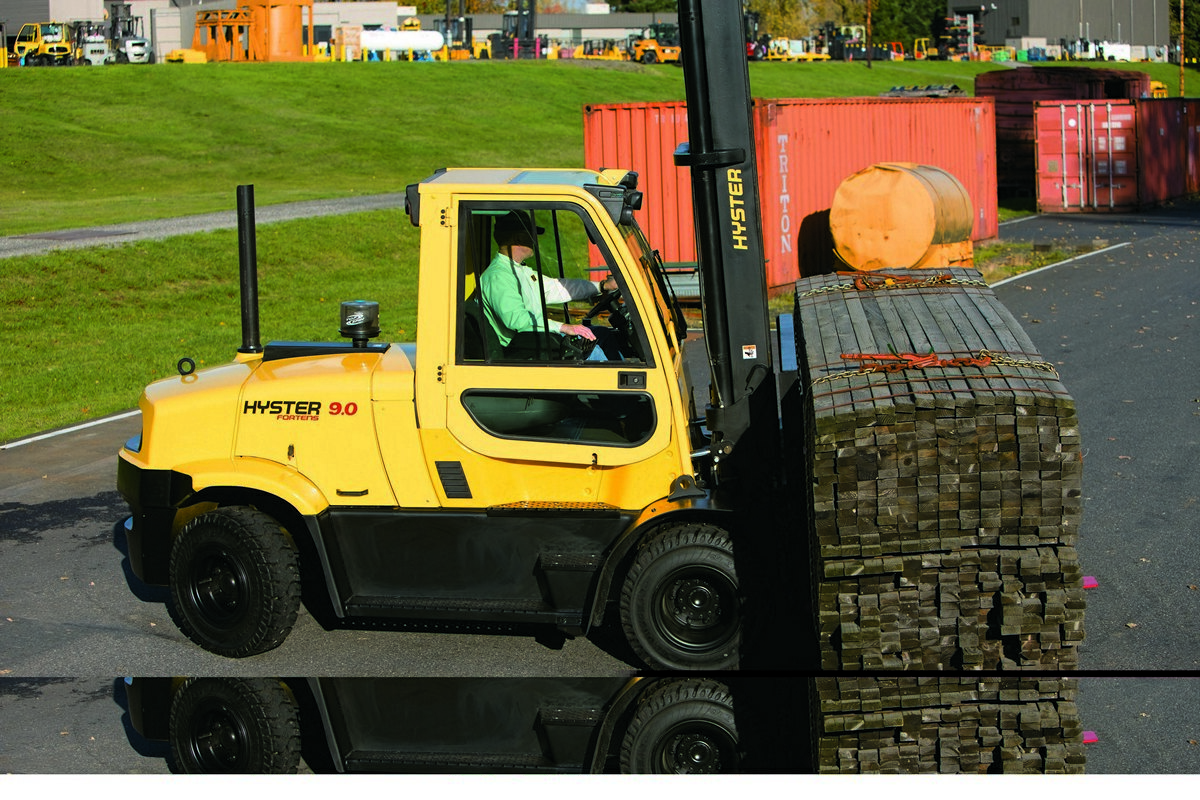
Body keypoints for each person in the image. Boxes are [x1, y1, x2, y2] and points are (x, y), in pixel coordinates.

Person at [479, 210, 620, 361]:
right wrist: (564, 327)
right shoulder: (498, 276)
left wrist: (602, 286)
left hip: (535, 341)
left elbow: (558, 288)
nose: (535, 240)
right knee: (591, 351)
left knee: (603, 334)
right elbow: (518, 321)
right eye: (532, 234)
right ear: (519, 238)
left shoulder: (520, 271)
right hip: (524, 350)